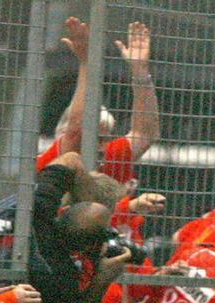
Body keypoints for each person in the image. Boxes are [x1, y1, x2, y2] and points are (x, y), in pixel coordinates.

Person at [37, 17, 159, 187]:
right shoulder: (52, 160)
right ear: (61, 135)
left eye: (104, 139)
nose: (101, 148)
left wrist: (140, 72)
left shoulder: (108, 156)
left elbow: (145, 133)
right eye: (94, 139)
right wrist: (86, 63)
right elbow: (76, 129)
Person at [23, 152, 133, 303]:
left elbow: (71, 159)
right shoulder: (60, 276)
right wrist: (101, 280)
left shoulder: (34, 209)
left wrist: (88, 210)